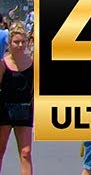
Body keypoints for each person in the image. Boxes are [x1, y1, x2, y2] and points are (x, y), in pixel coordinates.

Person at [1, 22, 34, 175]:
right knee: (1, 149)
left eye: (23, 41)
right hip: (4, 111)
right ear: (10, 43)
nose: (20, 45)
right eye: (16, 42)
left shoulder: (32, 63)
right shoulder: (3, 64)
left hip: (25, 111)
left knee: (26, 152)